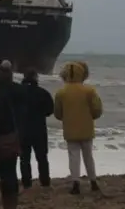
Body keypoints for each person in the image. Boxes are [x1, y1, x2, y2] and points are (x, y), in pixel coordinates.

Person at [54, 61, 103, 195]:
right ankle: (93, 182)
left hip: (70, 129)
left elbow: (58, 113)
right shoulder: (89, 91)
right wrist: (90, 117)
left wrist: (66, 118)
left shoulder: (61, 92)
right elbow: (97, 110)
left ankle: (76, 183)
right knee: (88, 156)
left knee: (73, 156)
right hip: (86, 128)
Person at [0, 60, 24, 209]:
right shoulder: (20, 90)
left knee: (4, 175)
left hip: (2, 140)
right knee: (12, 173)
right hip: (16, 137)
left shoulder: (0, 94)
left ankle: (7, 204)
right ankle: (13, 203)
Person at [19, 68, 54, 189]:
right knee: (42, 157)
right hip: (39, 129)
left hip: (22, 129)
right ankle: (45, 182)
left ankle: (26, 183)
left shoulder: (18, 92)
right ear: (35, 78)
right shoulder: (43, 93)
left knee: (24, 158)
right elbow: (50, 110)